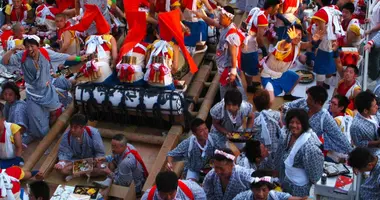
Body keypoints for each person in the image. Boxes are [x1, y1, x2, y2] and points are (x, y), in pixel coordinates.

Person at [1, 35, 87, 144]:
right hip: (33, 95)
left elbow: (63, 57)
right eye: (27, 46)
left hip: (48, 92)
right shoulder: (22, 56)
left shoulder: (46, 54)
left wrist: (80, 58)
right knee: (36, 120)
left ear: (38, 46)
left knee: (55, 111)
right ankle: (42, 135)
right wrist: (12, 50)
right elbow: (5, 61)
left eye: (32, 46)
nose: (30, 49)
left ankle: (51, 126)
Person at [192, 6, 246, 100]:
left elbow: (233, 56)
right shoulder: (225, 25)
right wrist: (202, 16)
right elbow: (213, 22)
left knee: (229, 95)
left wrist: (232, 73)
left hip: (228, 70)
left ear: (229, 18)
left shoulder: (231, 35)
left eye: (222, 17)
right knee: (233, 93)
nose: (220, 18)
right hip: (224, 67)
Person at [282, 86, 353, 155]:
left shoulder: (325, 118)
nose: (307, 100)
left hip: (302, 149)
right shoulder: (303, 102)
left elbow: (339, 137)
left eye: (309, 99)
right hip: (287, 138)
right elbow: (286, 106)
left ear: (318, 102)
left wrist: (352, 153)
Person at [261, 25, 323, 101]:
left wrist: (315, 40)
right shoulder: (282, 44)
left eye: (299, 35)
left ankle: (288, 94)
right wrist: (289, 39)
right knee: (270, 100)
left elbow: (307, 44)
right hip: (269, 75)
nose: (297, 36)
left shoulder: (298, 44)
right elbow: (284, 45)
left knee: (297, 77)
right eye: (294, 34)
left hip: (281, 73)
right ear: (289, 34)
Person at [274, 108, 324, 196]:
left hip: (299, 189)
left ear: (304, 125)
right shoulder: (288, 134)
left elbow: (315, 176)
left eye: (298, 123)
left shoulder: (309, 147)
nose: (294, 125)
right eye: (291, 122)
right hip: (286, 181)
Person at [68, 4, 118, 86]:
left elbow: (84, 59)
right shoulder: (110, 38)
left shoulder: (88, 38)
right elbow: (115, 57)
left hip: (89, 71)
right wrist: (113, 67)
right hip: (103, 72)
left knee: (73, 75)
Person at [240, 0, 280, 88]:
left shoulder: (257, 10)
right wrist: (264, 49)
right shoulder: (262, 18)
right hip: (249, 44)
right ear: (270, 8)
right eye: (276, 9)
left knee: (246, 65)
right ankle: (249, 86)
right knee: (250, 68)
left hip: (243, 40)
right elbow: (259, 38)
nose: (276, 11)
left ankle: (249, 83)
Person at [54, 113, 106, 181]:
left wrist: (97, 161)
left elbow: (100, 153)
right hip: (75, 161)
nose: (72, 130)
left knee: (101, 168)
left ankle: (76, 173)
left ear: (83, 127)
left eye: (75, 127)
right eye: (71, 127)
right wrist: (61, 163)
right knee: (63, 170)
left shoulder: (93, 133)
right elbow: (65, 153)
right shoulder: (67, 136)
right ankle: (81, 173)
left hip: (91, 161)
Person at [310, 1, 344, 89]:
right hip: (334, 40)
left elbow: (322, 31)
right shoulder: (334, 8)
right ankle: (327, 83)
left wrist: (316, 43)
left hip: (324, 43)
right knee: (331, 64)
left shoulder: (321, 12)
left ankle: (319, 89)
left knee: (321, 68)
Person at [233, 173, 307, 200]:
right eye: (257, 190)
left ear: (269, 189)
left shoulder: (276, 196)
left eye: (264, 190)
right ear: (252, 189)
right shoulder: (242, 198)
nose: (260, 194)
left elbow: (291, 198)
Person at [252, 89, 282, 155]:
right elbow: (281, 130)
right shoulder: (276, 114)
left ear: (254, 104)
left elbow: (252, 134)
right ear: (269, 102)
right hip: (275, 149)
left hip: (260, 152)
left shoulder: (254, 118)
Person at [350, 91, 380, 155]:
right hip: (371, 155)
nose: (377, 107)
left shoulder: (375, 113)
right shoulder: (356, 126)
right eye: (374, 106)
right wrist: (377, 143)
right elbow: (358, 143)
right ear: (366, 111)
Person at [141, 171, 207, 200]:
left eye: (171, 193)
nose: (168, 198)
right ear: (158, 190)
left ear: (176, 188)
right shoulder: (147, 197)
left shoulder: (195, 191)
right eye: (164, 194)